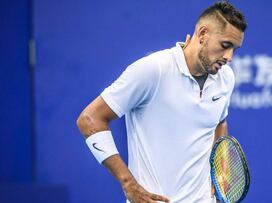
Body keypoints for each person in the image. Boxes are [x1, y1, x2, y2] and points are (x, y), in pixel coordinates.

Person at [76, 1, 247, 202]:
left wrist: (218, 175)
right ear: (202, 34)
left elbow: (219, 122)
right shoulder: (153, 70)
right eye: (225, 46)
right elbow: (89, 119)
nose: (229, 57)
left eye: (234, 49)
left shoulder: (226, 78)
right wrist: (128, 183)